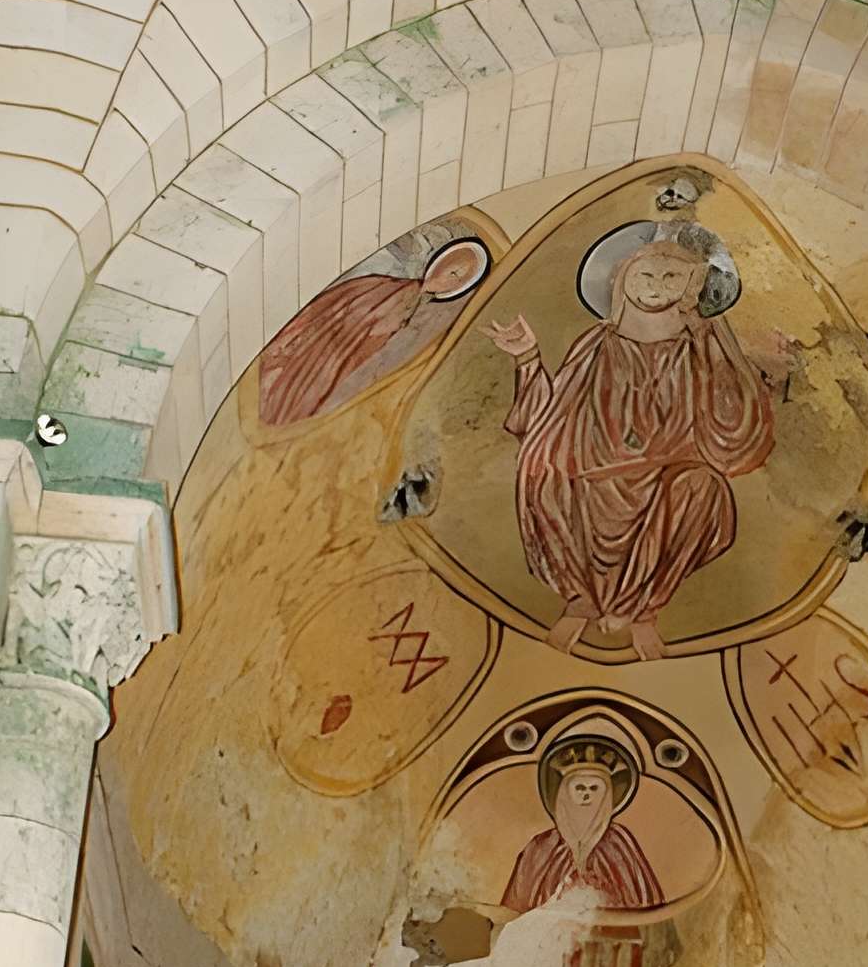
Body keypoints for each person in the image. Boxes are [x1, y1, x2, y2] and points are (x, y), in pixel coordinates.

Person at [487, 240, 779, 659]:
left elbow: (733, 428)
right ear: (624, 281)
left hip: (670, 470)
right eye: (646, 275)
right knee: (545, 464)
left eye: (671, 276)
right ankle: (580, 598)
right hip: (593, 467)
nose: (656, 286)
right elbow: (549, 417)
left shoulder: (700, 347)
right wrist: (527, 358)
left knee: (702, 487)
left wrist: (714, 347)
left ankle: (641, 607)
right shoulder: (595, 344)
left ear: (690, 287)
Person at [257, 236, 489, 427]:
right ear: (440, 262)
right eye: (452, 270)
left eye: (458, 279)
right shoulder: (382, 285)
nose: (450, 279)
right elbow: (329, 309)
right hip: (320, 351)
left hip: (348, 369)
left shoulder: (422, 317)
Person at [502, 747, 662, 914]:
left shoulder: (619, 842)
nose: (586, 796)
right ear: (563, 793)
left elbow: (641, 907)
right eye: (579, 788)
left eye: (594, 789)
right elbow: (516, 913)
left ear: (606, 796)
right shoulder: (540, 847)